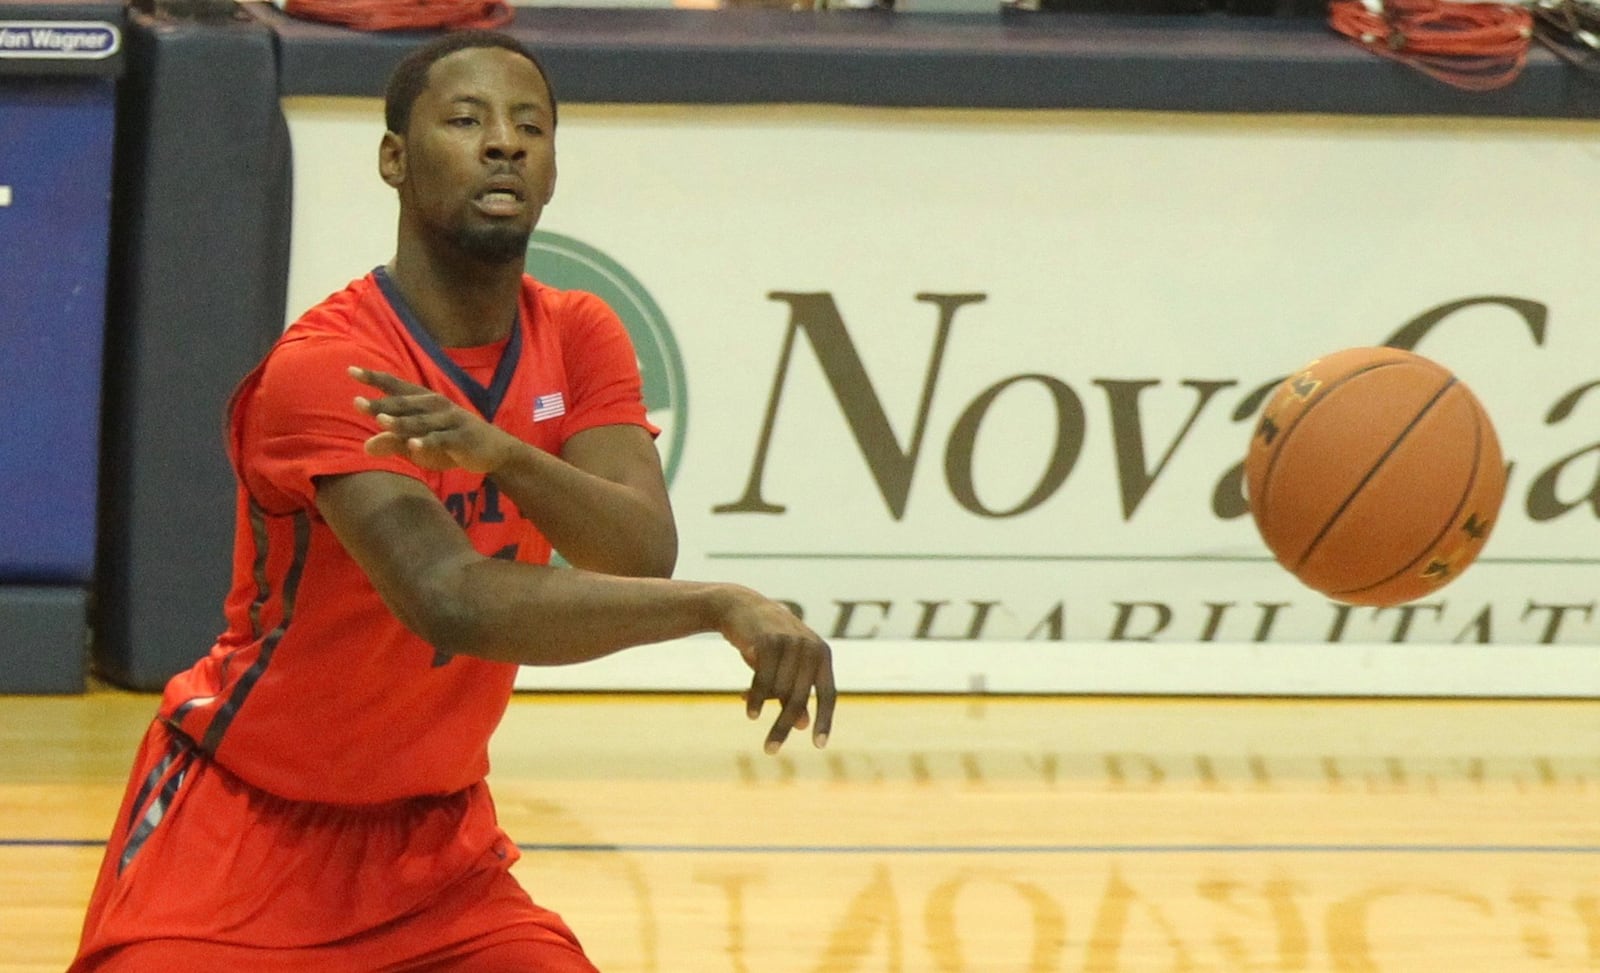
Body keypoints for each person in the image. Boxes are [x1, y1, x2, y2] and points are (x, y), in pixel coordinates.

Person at [70, 29, 836, 972]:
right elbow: (448, 596)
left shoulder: (581, 332)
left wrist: (505, 455)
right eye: (466, 119)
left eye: (530, 126)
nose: (504, 142)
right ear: (394, 158)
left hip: (433, 852)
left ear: (553, 171)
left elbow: (638, 551)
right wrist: (724, 606)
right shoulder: (329, 365)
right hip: (243, 833)